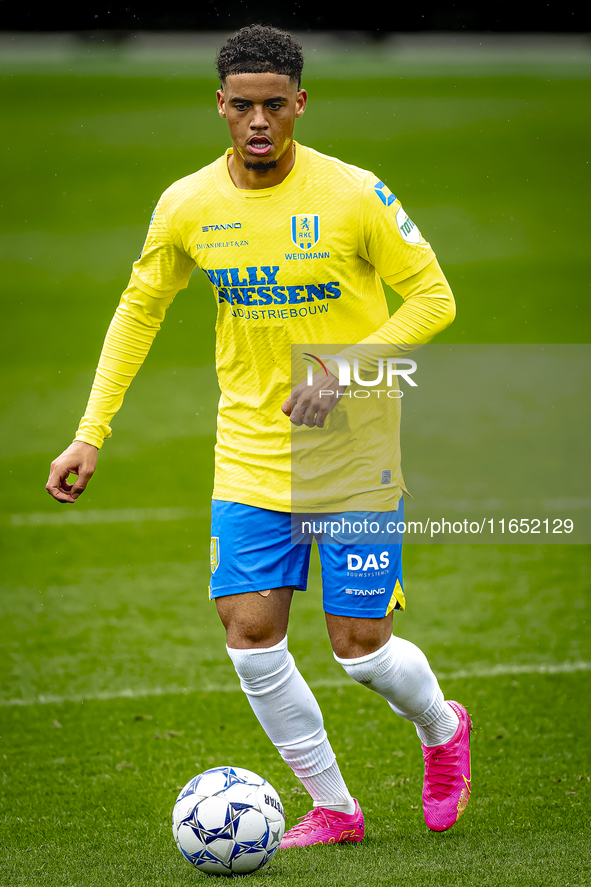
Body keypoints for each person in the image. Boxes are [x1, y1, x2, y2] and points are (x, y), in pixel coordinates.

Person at [46, 24, 471, 847]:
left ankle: (440, 728)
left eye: (274, 105)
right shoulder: (188, 204)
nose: (258, 122)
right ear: (219, 105)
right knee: (248, 634)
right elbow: (138, 311)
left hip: (352, 456)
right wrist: (88, 432)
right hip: (247, 451)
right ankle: (335, 808)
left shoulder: (352, 193)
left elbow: (433, 297)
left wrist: (343, 367)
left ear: (300, 104)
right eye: (241, 106)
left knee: (360, 649)